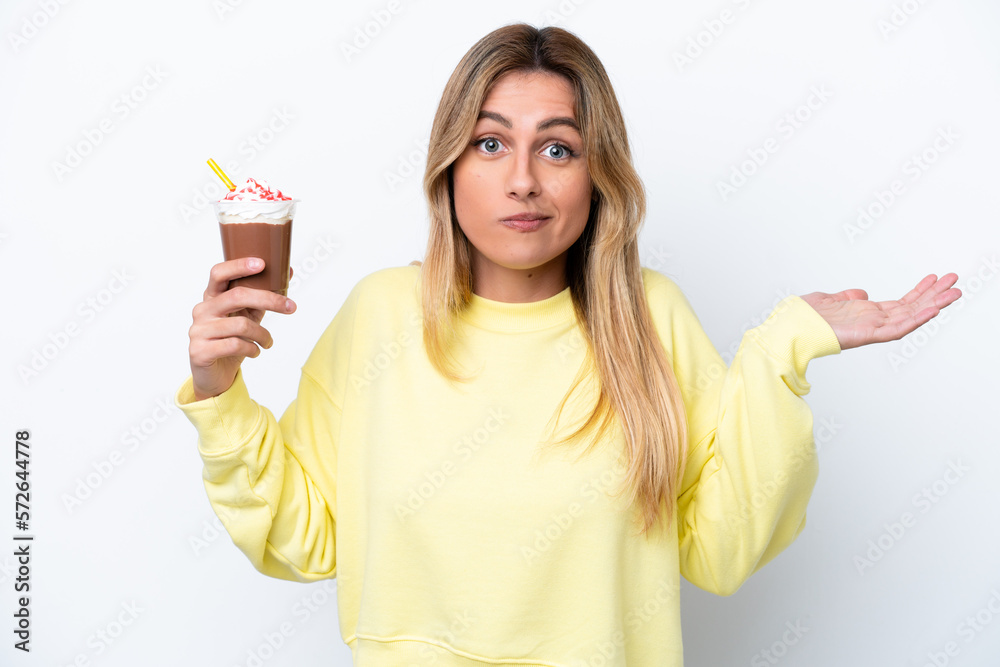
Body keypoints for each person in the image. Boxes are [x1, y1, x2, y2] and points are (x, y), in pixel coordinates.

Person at [175, 23, 961, 666]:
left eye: (557, 148)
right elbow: (302, 538)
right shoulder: (381, 315)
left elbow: (722, 550)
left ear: (598, 177)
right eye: (489, 144)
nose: (523, 180)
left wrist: (782, 351)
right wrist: (219, 390)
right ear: (449, 169)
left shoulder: (650, 320)